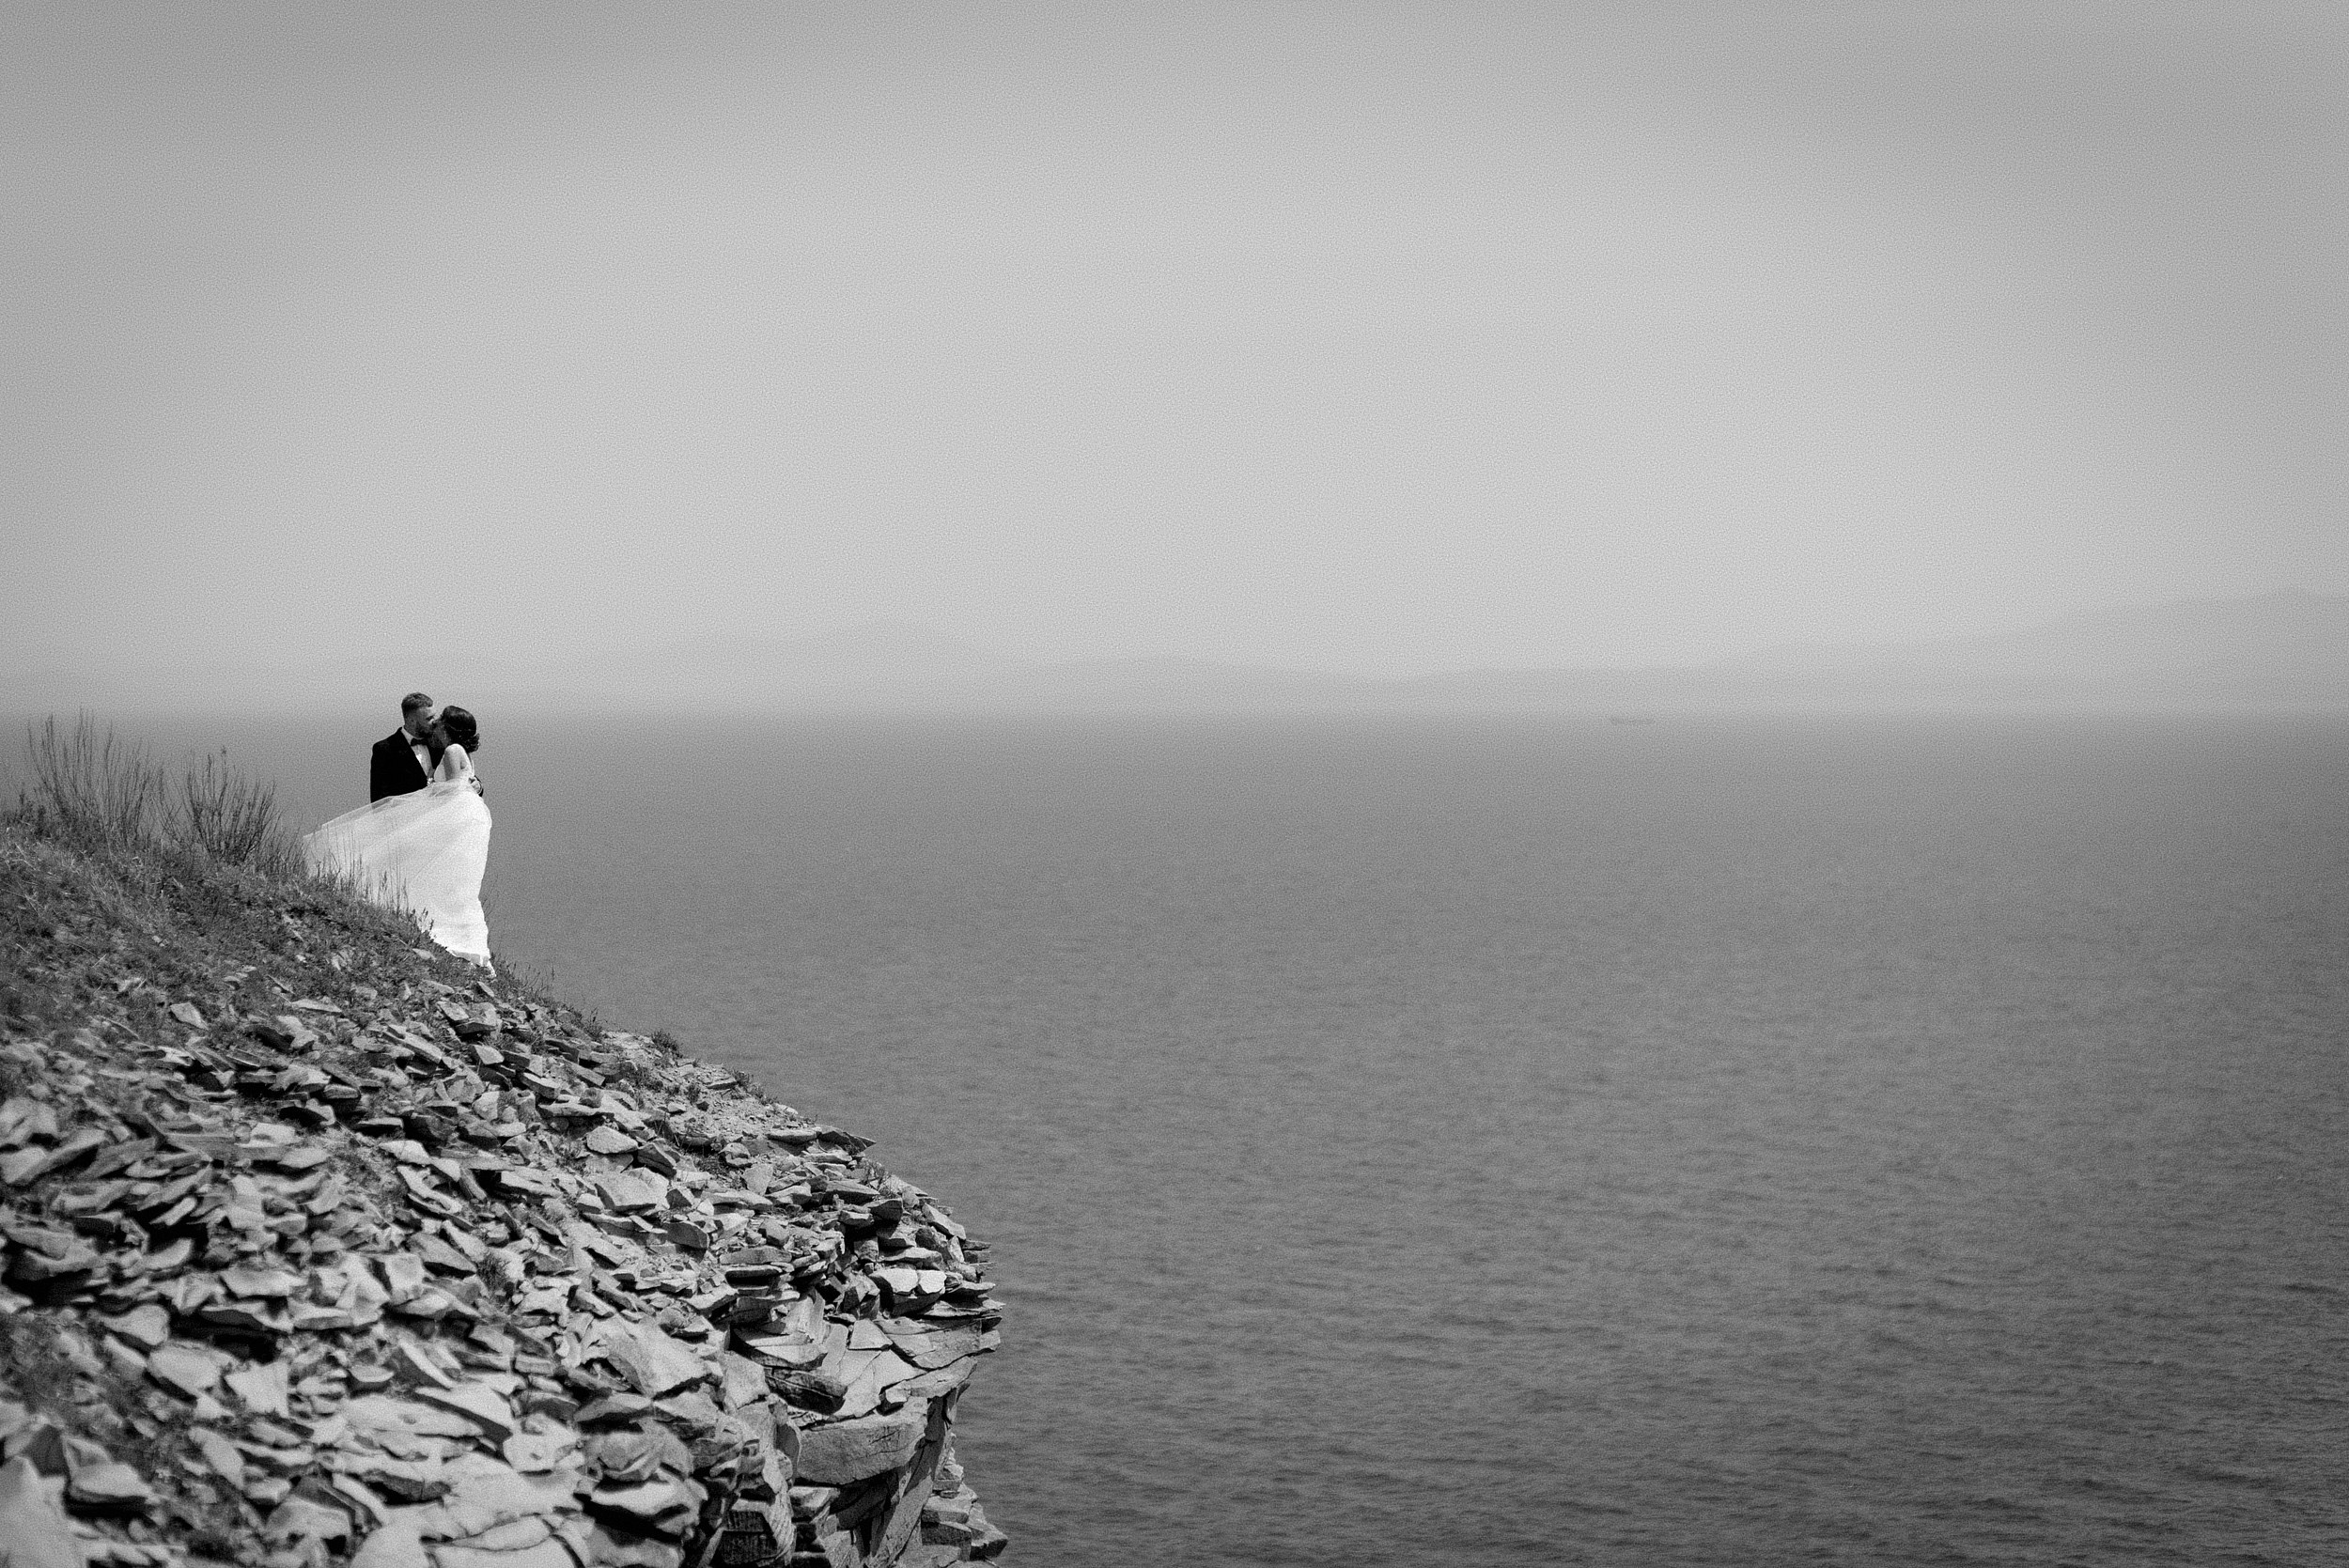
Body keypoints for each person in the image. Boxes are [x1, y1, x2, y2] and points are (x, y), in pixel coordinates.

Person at [307, 700, 494, 970]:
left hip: (435, 827)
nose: (434, 723)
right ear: (412, 718)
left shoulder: (447, 748)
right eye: (429, 718)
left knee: (439, 881)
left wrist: (458, 787)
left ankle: (433, 929)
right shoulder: (386, 749)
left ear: (448, 727)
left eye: (438, 719)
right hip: (407, 827)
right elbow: (380, 797)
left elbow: (456, 790)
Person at [370, 692, 440, 802]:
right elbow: (379, 799)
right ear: (411, 720)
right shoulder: (385, 749)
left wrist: (477, 785)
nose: (435, 721)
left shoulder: (439, 742)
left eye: (435, 716)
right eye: (429, 718)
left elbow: (462, 772)